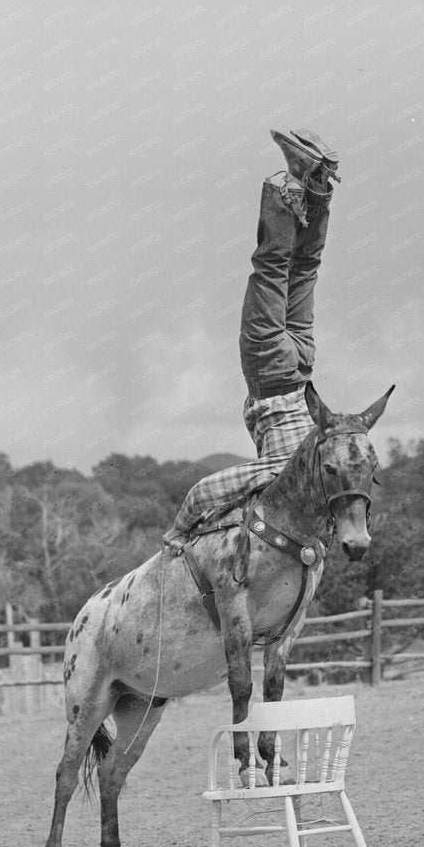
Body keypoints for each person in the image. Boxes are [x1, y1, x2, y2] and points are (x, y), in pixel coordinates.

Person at [161, 128, 340, 555]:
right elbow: (209, 488)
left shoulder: (319, 456)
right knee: (271, 267)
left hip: (301, 366)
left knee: (303, 269)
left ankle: (320, 186)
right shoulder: (281, 473)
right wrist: (178, 529)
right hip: (273, 373)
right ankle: (299, 175)